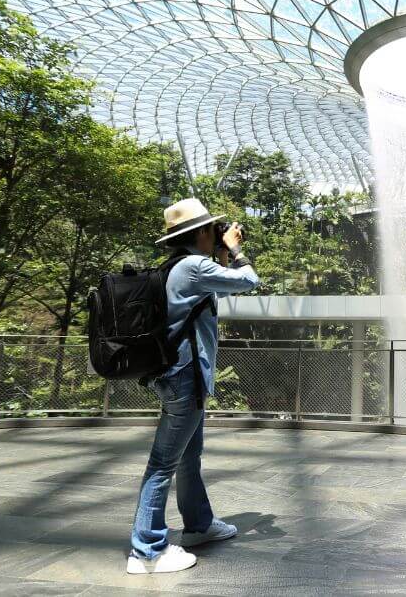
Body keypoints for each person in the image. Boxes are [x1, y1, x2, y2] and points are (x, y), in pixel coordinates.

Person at [127, 198, 260, 574]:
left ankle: (199, 525)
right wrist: (235, 250)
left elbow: (213, 290)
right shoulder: (194, 266)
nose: (218, 233)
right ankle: (147, 551)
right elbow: (248, 281)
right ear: (200, 232)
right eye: (213, 229)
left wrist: (219, 253)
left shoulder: (178, 267)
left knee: (188, 455)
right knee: (163, 463)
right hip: (185, 376)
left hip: (177, 374)